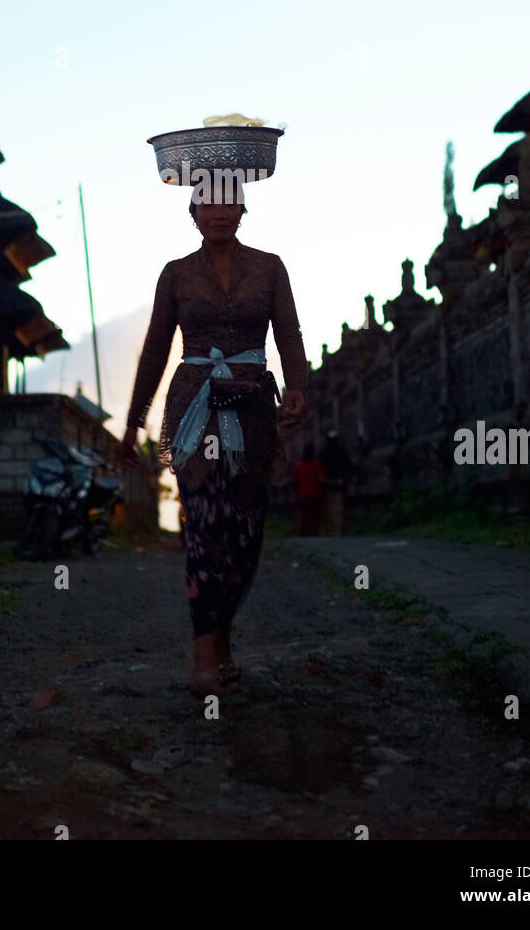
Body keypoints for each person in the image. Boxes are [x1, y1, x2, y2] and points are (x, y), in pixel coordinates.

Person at [122, 186, 308, 697]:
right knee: (204, 526)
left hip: (251, 411)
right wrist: (134, 419)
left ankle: (221, 638)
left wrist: (297, 390)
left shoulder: (270, 268)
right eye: (209, 203)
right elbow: (156, 349)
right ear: (194, 212)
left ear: (243, 210)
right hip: (194, 411)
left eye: (230, 203)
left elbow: (288, 335)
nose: (220, 212)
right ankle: (205, 652)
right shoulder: (176, 274)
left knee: (245, 534)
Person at [320, 428, 349, 535]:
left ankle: (332, 531)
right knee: (337, 509)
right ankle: (336, 531)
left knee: (329, 509)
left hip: (328, 485)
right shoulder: (342, 451)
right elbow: (347, 466)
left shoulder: (323, 453)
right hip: (337, 484)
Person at [290, 444, 324, 536]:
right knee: (313, 514)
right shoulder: (317, 465)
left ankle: (304, 532)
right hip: (315, 493)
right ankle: (313, 532)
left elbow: (294, 480)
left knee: (304, 515)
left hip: (302, 493)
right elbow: (321, 479)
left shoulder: (298, 466)